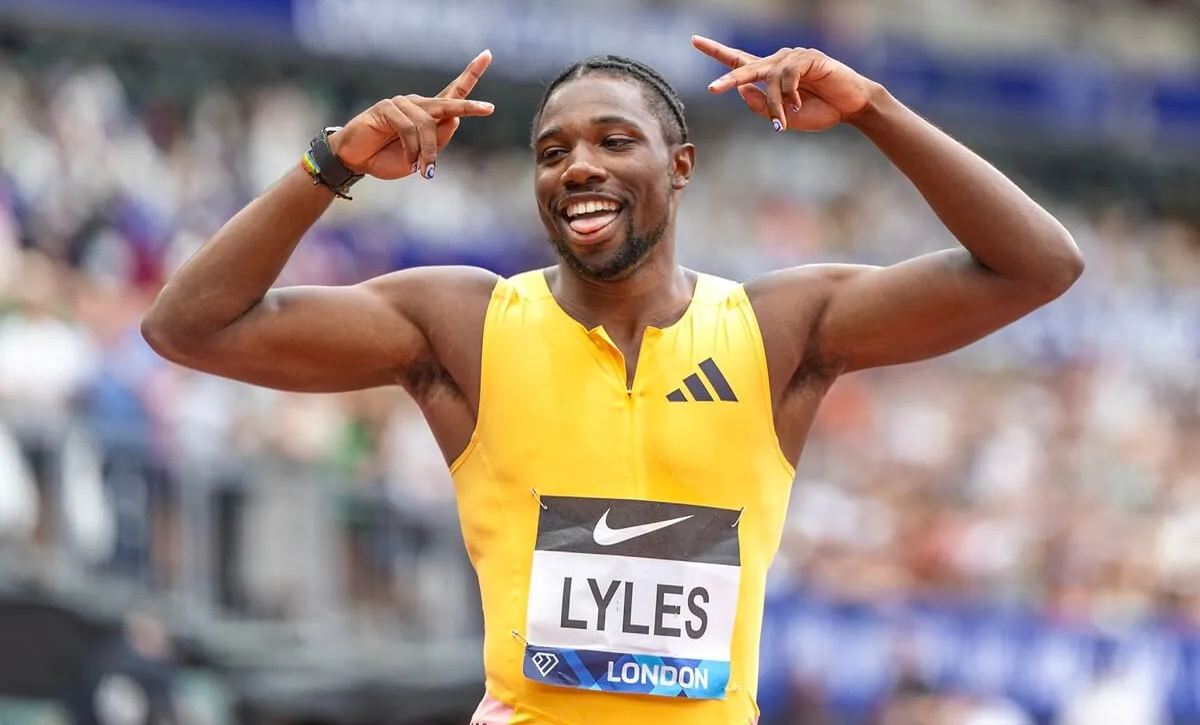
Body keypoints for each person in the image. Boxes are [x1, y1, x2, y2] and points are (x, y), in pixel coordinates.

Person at [141, 38, 1084, 725]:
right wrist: (331, 162)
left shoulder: (775, 330)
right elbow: (188, 327)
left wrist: (873, 107)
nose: (578, 165)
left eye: (612, 141)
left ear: (679, 169)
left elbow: (1037, 266)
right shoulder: (467, 324)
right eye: (552, 152)